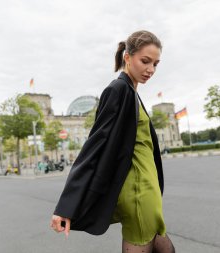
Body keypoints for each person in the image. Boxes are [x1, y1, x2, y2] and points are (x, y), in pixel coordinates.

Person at [50, 30, 175, 253]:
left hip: (147, 188)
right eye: (145, 61)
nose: (151, 70)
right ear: (127, 57)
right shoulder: (117, 90)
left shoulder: (132, 92)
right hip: (137, 191)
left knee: (165, 248)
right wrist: (66, 205)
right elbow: (94, 146)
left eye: (156, 64)